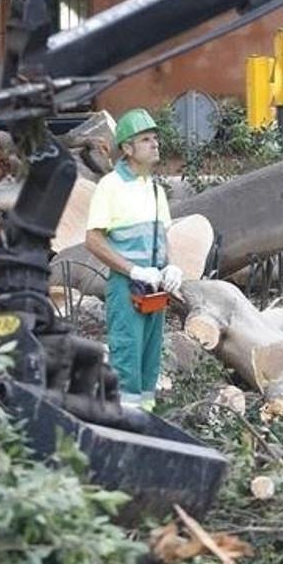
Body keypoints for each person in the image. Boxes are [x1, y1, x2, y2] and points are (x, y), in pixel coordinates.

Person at [84, 109, 183, 411]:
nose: (155, 144)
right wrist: (133, 269)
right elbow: (93, 239)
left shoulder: (153, 187)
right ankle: (125, 424)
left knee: (149, 364)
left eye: (155, 139)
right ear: (127, 148)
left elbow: (163, 236)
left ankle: (146, 420)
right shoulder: (110, 186)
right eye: (145, 139)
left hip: (154, 289)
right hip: (127, 288)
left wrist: (172, 266)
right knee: (126, 360)